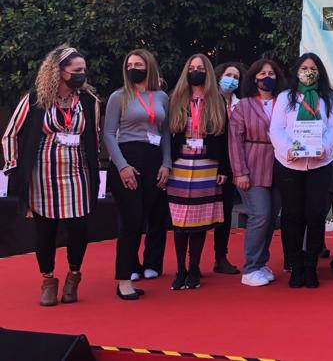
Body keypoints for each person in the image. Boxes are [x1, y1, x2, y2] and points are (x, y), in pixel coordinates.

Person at [2, 45, 100, 306]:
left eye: (83, 70)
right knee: (46, 231)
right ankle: (48, 280)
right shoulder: (36, 99)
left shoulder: (89, 101)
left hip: (77, 173)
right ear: (59, 71)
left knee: (79, 228)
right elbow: (10, 134)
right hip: (42, 175)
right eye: (76, 70)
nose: (81, 74)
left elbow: (94, 137)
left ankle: (74, 275)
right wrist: (14, 166)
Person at [269, 53, 333, 289]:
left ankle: (311, 266)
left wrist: (324, 148)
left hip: (319, 164)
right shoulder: (285, 97)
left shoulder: (329, 98)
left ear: (319, 71)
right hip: (290, 164)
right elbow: (276, 129)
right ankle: (295, 265)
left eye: (313, 68)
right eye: (304, 68)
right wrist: (289, 149)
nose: (308, 72)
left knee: (315, 215)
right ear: (297, 71)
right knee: (292, 216)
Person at [104, 49, 171, 298]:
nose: (133, 68)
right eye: (130, 64)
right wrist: (122, 166)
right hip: (127, 158)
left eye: (138, 64)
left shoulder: (162, 97)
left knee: (144, 217)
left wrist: (166, 163)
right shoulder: (118, 97)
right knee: (131, 220)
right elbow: (108, 133)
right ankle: (124, 280)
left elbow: (165, 132)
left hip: (154, 159)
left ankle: (138, 269)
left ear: (149, 66)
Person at [166, 54, 230, 291]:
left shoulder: (216, 100)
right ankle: (180, 268)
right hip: (180, 165)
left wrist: (224, 167)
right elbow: (167, 135)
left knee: (199, 220)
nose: (196, 71)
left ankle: (194, 267)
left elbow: (224, 137)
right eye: (192, 67)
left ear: (208, 72)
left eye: (200, 68)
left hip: (206, 164)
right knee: (179, 220)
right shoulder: (175, 98)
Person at [229, 58, 286, 287]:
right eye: (262, 74)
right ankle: (250, 267)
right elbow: (235, 141)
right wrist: (240, 172)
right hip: (252, 167)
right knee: (260, 215)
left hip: (279, 167)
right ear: (254, 78)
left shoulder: (284, 103)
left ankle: (261, 262)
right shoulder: (243, 106)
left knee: (271, 218)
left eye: (271, 73)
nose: (267, 77)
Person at [213, 60, 246, 275]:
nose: (232, 80)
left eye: (236, 77)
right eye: (228, 75)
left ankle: (220, 257)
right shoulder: (208, 101)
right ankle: (191, 261)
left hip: (234, 165)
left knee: (225, 212)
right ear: (218, 76)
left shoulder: (241, 105)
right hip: (210, 164)